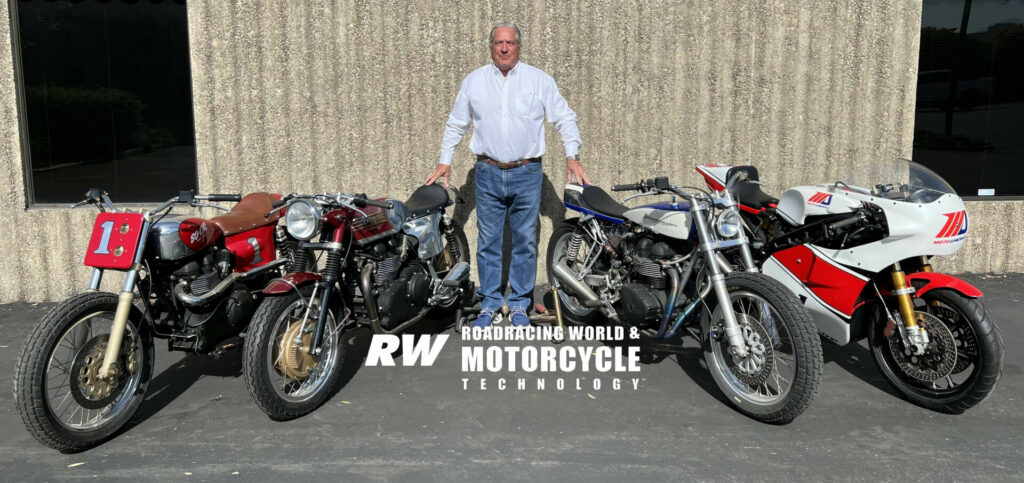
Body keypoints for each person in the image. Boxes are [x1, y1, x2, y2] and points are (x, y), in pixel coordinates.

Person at [425, 22, 590, 328]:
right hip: (487, 172)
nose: (504, 48)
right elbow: (456, 123)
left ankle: (518, 304)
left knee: (525, 241)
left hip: (527, 172)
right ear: (491, 47)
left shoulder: (538, 80)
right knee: (488, 241)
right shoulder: (474, 82)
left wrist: (573, 156)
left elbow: (565, 118)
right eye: (499, 43)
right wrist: (445, 160)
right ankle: (489, 303)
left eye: (510, 43)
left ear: (518, 46)